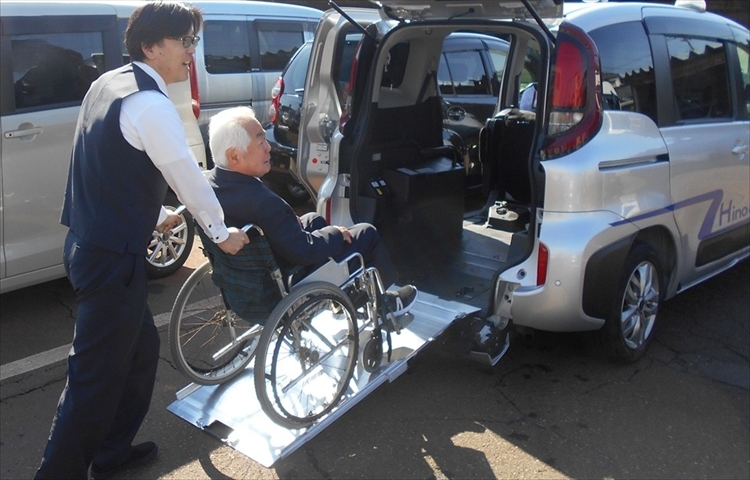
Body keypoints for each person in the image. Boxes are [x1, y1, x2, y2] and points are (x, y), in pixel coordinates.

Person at [35, 3, 249, 479]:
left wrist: (153, 214)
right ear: (151, 47)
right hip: (111, 259)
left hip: (92, 245)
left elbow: (106, 164)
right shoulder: (151, 104)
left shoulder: (107, 84)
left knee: (139, 352)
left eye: (194, 40)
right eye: (185, 41)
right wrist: (221, 234)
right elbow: (186, 176)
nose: (192, 52)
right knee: (93, 379)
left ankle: (112, 452)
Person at [206, 106, 418, 318]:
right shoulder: (262, 203)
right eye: (261, 143)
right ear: (234, 156)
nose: (269, 148)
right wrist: (335, 234)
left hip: (250, 283)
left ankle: (347, 293)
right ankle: (383, 306)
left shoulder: (208, 189)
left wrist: (289, 221)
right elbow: (303, 251)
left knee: (314, 219)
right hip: (285, 284)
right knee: (366, 233)